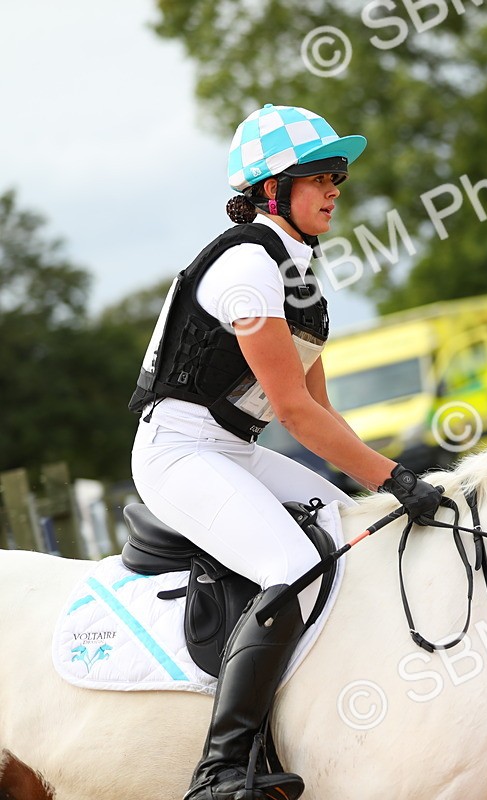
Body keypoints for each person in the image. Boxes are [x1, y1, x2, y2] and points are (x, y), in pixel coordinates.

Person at [129, 103, 442, 800]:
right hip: (177, 451)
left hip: (230, 450)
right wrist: (397, 479)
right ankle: (220, 768)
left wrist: (379, 482)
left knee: (350, 529)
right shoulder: (247, 266)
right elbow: (296, 413)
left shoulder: (299, 277)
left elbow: (323, 412)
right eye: (321, 176)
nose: (336, 187)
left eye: (339, 176)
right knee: (292, 561)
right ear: (273, 190)